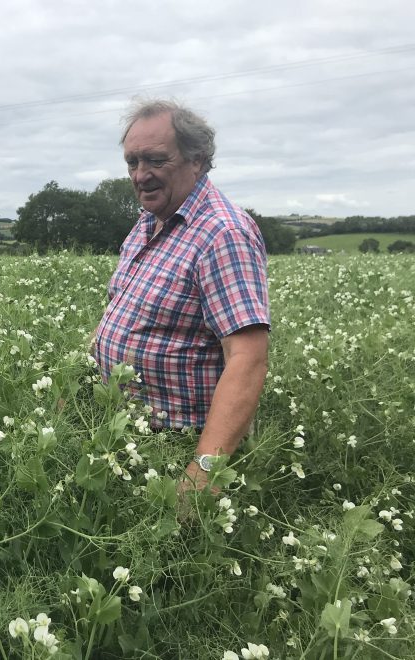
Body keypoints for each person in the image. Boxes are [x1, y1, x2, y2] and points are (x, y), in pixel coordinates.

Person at [92, 99, 270, 491]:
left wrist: (203, 471)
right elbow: (119, 311)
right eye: (132, 162)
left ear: (197, 160)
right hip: (125, 434)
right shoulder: (148, 222)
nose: (141, 175)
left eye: (156, 160)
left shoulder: (223, 233)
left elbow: (248, 358)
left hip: (175, 448)